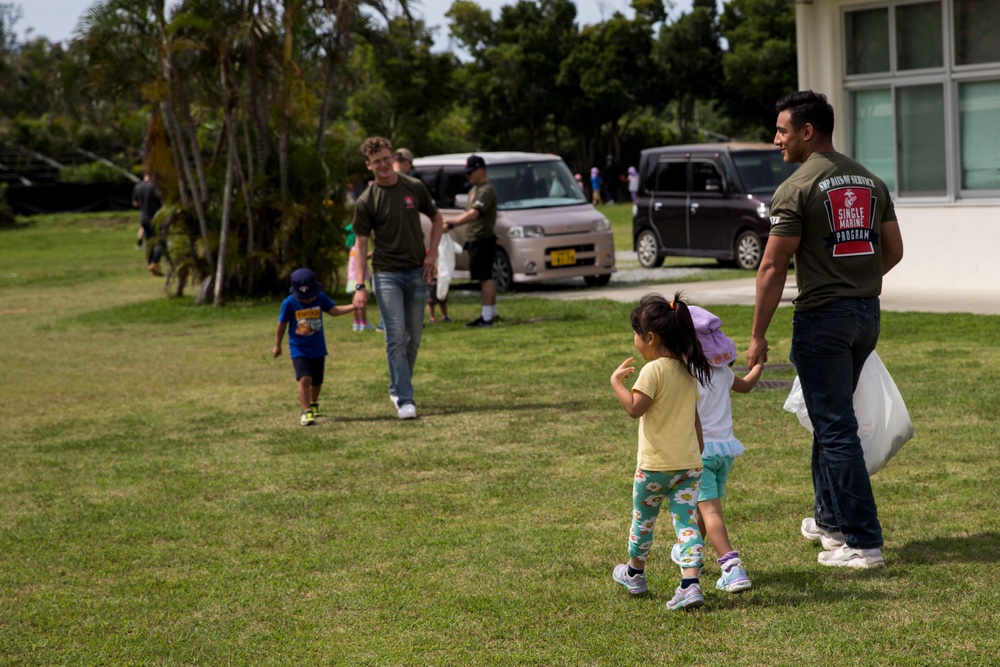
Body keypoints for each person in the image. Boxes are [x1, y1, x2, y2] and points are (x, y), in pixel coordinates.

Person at [747, 90, 904, 569]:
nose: (776, 139)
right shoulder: (871, 180)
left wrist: (757, 335)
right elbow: (893, 251)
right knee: (827, 417)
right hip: (865, 315)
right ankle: (830, 522)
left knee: (835, 427)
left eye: (782, 130)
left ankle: (862, 542)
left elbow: (773, 267)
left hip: (822, 320)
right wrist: (856, 280)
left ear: (807, 131)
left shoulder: (795, 188)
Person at [610, 292, 713, 611]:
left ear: (650, 337)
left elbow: (634, 409)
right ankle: (690, 584)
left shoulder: (652, 371)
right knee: (686, 524)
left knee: (643, 522)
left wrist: (616, 383)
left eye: (636, 335)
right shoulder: (686, 370)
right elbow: (695, 420)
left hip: (654, 468)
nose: (635, 341)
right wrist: (697, 452)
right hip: (689, 466)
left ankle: (635, 574)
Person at [351, 136, 445, 420]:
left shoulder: (413, 187)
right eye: (376, 161)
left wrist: (432, 255)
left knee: (413, 338)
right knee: (395, 336)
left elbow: (437, 218)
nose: (383, 164)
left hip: (417, 270)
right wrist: (360, 285)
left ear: (392, 156)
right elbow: (361, 245)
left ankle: (397, 386)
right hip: (387, 274)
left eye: (386, 158)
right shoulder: (367, 201)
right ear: (369, 166)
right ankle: (405, 399)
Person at [672, 305, 762, 593]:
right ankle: (686, 549)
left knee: (711, 512)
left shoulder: (686, 374)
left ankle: (731, 566)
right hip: (725, 452)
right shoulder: (722, 372)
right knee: (703, 510)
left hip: (700, 453)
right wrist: (759, 364)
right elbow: (746, 386)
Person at [272, 268, 354, 426]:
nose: (308, 299)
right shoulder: (289, 303)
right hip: (299, 348)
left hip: (317, 347)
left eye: (310, 296)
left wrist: (354, 306)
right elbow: (281, 324)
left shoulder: (320, 298)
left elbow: (334, 310)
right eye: (304, 297)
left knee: (317, 380)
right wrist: (277, 345)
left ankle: (314, 404)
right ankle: (306, 411)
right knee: (305, 378)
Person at [444, 155, 499, 327]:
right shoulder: (474, 190)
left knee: (485, 277)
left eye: (471, 172)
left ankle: (487, 316)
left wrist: (452, 223)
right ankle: (493, 311)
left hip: (483, 237)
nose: (469, 176)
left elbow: (474, 213)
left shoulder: (486, 190)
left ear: (481, 169)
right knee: (483, 276)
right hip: (475, 238)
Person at [132, 174, 164, 277]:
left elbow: (135, 203)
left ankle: (151, 266)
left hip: (144, 218)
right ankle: (154, 262)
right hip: (156, 218)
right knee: (162, 241)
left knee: (149, 243)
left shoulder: (138, 187)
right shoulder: (155, 187)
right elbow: (162, 201)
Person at [344, 223, 374, 331]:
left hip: (352, 278)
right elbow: (363, 257)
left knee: (355, 302)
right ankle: (363, 323)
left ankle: (356, 323)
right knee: (362, 302)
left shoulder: (351, 249)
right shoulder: (358, 247)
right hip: (360, 277)